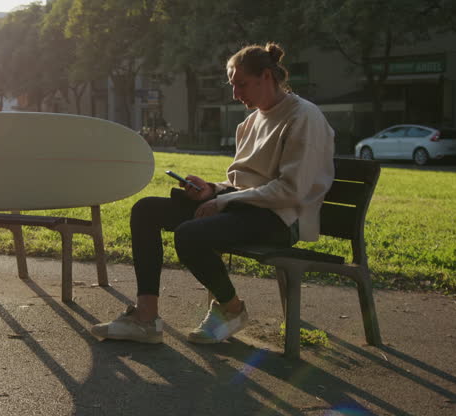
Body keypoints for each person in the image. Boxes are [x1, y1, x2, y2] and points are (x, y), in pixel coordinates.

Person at [91, 42, 335, 344]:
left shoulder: (303, 117)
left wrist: (223, 200)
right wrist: (212, 190)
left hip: (282, 219)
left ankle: (231, 309)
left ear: (267, 77)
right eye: (232, 85)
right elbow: (242, 183)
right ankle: (145, 317)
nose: (235, 94)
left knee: (190, 234)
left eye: (242, 84)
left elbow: (292, 191)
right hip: (244, 209)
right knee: (146, 210)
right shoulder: (249, 123)